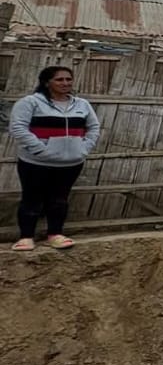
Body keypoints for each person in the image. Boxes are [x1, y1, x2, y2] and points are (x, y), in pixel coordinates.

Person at [9, 65, 100, 251]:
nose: (65, 83)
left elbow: (94, 127)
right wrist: (41, 150)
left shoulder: (82, 104)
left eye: (68, 79)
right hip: (36, 163)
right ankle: (26, 237)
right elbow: (18, 128)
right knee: (32, 199)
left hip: (71, 163)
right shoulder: (30, 103)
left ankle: (55, 234)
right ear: (46, 82)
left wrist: (83, 149)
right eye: (59, 79)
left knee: (59, 199)